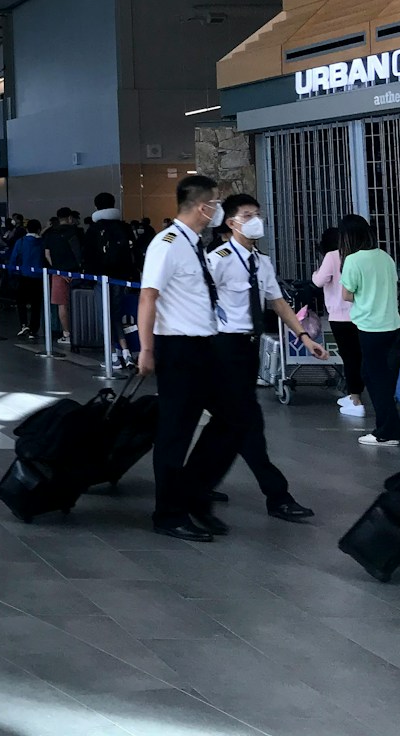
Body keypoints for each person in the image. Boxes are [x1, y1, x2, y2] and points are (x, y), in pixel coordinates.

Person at [189, 195, 324, 523]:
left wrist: (304, 337)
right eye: (247, 215)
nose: (255, 220)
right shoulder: (217, 259)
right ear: (231, 223)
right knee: (247, 424)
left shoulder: (261, 262)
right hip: (223, 348)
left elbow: (277, 302)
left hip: (248, 348)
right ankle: (277, 495)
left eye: (257, 214)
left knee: (234, 426)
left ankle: (195, 484)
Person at [137, 174, 241, 542]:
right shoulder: (166, 244)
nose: (217, 208)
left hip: (204, 347)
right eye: (215, 202)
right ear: (203, 206)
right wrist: (146, 349)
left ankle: (194, 494)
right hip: (178, 349)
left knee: (233, 420)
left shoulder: (194, 242)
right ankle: (168, 513)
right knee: (175, 433)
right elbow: (148, 296)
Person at [337, 213, 400, 447]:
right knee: (377, 376)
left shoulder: (354, 260)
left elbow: (346, 295)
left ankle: (386, 432)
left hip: (370, 327)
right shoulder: (385, 257)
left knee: (375, 379)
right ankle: (394, 425)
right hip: (393, 325)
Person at [311, 226, 363, 417]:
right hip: (359, 314)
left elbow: (319, 281)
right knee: (358, 355)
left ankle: (355, 399)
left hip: (339, 315)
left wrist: (314, 274)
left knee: (348, 356)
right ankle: (356, 394)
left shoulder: (332, 256)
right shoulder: (357, 255)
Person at [85, 193, 138, 369]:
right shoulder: (124, 227)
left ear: (96, 207)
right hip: (121, 279)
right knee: (115, 315)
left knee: (104, 317)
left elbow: (89, 255)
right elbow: (133, 252)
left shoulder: (94, 229)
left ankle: (112, 356)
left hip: (101, 278)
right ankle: (127, 354)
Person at [41, 206, 84, 346]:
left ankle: (67, 334)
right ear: (70, 218)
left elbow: (47, 254)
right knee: (79, 302)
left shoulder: (51, 233)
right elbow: (79, 252)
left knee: (62, 304)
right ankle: (81, 332)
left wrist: (58, 269)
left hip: (58, 273)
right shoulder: (76, 232)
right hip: (76, 272)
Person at [6, 219, 44, 340]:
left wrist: (11, 273)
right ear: (38, 229)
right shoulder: (42, 242)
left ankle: (23, 324)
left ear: (27, 229)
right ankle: (34, 329)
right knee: (36, 304)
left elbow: (13, 258)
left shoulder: (20, 242)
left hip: (23, 276)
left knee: (21, 301)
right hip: (38, 277)